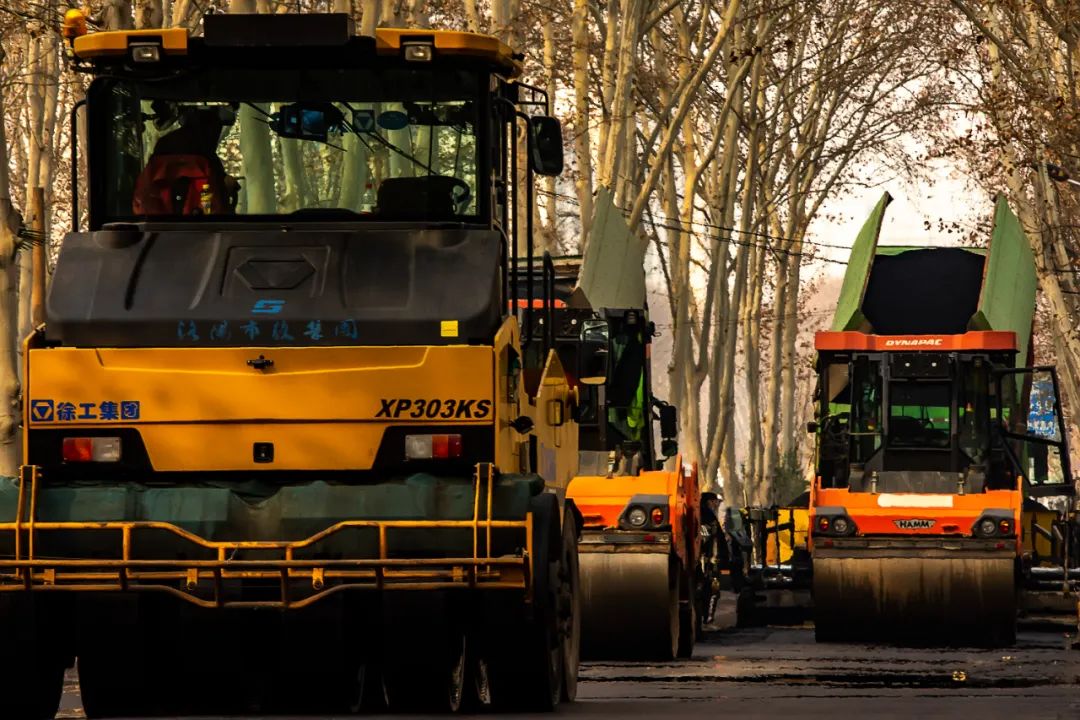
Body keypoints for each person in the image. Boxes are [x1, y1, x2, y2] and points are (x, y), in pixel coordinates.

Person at [132, 103, 240, 216]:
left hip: (192, 161)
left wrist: (226, 188)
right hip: (172, 158)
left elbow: (210, 200)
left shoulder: (206, 206)